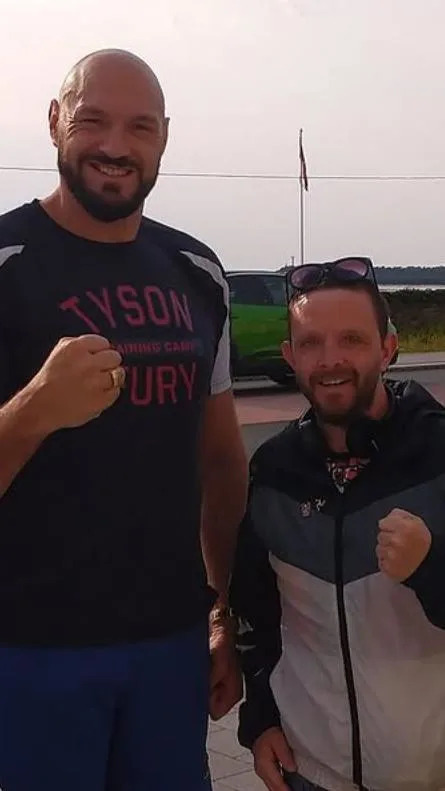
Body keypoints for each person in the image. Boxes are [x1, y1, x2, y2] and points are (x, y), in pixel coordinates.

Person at [0, 49, 247, 791]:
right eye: (92, 121)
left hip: (169, 646)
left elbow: (220, 463)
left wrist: (225, 614)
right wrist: (31, 412)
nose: (115, 146)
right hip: (26, 651)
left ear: (163, 138)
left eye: (139, 126)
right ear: (53, 123)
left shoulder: (196, 272)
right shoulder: (6, 261)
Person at [230, 257, 445, 791]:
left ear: (388, 348)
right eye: (311, 343)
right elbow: (256, 614)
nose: (331, 361)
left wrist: (431, 567)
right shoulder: (275, 471)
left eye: (351, 339)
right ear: (290, 357)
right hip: (311, 772)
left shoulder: (437, 453)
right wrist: (260, 721)